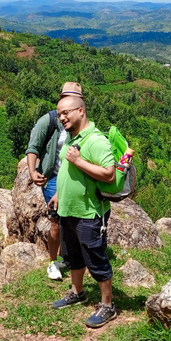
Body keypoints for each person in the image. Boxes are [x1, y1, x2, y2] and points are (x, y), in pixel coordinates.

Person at [49, 94, 117, 328]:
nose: (62, 117)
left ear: (81, 111)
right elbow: (66, 171)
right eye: (59, 114)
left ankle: (108, 305)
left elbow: (110, 173)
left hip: (89, 213)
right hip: (68, 210)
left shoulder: (96, 140)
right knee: (73, 256)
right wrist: (59, 194)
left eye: (66, 112)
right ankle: (77, 292)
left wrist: (79, 161)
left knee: (96, 257)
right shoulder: (70, 137)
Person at [25, 82, 83, 280]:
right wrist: (33, 171)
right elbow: (33, 146)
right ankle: (53, 262)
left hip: (74, 175)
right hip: (53, 176)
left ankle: (71, 257)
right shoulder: (49, 120)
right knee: (56, 219)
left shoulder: (80, 122)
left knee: (74, 218)